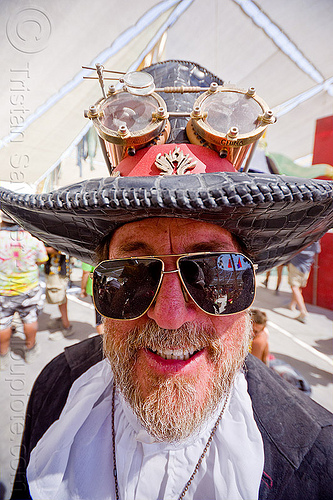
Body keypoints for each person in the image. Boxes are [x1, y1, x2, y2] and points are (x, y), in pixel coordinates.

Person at [1, 60, 333, 500]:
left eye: (215, 273)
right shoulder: (57, 388)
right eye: (129, 278)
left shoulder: (314, 458)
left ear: (250, 288)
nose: (171, 318)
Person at [0, 212, 48, 369]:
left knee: (3, 323)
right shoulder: (31, 238)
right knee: (29, 318)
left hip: (3, 291)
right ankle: (30, 350)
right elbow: (42, 259)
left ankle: (3, 355)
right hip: (28, 289)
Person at [287, 241, 321, 324]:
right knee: (299, 288)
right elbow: (317, 251)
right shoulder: (316, 238)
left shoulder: (302, 235)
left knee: (294, 287)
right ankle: (292, 305)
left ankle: (303, 312)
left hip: (296, 265)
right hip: (307, 267)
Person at [44, 246, 74, 338]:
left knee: (60, 298)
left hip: (59, 271)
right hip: (55, 270)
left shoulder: (62, 236)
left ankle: (66, 326)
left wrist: (40, 247)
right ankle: (63, 321)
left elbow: (64, 249)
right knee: (60, 298)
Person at [80, 262, 103, 334]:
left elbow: (85, 273)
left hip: (95, 288)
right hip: (109, 286)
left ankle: (102, 341)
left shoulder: (88, 255)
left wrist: (83, 288)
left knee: (99, 317)